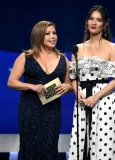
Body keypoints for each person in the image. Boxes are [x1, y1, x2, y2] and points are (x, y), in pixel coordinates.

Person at [68, 5, 115, 160]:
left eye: (99, 20)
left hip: (104, 99)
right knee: (81, 141)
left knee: (103, 141)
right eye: (91, 18)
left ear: (105, 24)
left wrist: (96, 96)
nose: (94, 22)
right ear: (87, 22)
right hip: (82, 100)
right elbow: (73, 77)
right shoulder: (78, 48)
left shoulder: (112, 47)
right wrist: (77, 92)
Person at [7, 20, 72, 160]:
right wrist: (32, 86)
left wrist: (67, 87)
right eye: (47, 33)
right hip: (30, 109)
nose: (52, 36)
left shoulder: (63, 59)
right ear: (38, 36)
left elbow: (69, 85)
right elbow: (11, 82)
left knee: (50, 145)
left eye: (54, 33)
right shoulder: (26, 57)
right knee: (29, 147)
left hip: (52, 110)